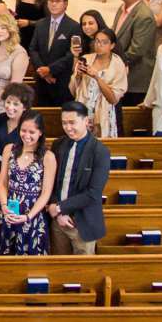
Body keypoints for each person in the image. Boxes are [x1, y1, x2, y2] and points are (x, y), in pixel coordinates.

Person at [48, 102, 111, 256]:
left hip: (83, 222)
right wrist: (56, 209)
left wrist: (60, 208)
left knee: (83, 273)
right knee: (58, 270)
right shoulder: (58, 145)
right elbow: (52, 181)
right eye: (64, 123)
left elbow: (93, 193)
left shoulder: (100, 151)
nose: (68, 128)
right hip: (58, 221)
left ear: (86, 121)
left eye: (72, 123)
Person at [0, 111, 57, 256]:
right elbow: (2, 183)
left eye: (32, 132)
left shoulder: (48, 157)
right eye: (23, 130)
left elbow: (46, 193)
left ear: (40, 132)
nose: (26, 135)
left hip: (32, 216)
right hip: (10, 212)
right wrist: (4, 207)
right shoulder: (10, 149)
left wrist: (28, 217)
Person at [110, 0, 159, 108]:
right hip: (121, 74)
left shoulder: (144, 16)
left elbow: (136, 50)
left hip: (135, 78)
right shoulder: (122, 8)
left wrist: (112, 64)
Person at [28, 0, 82, 98]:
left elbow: (71, 55)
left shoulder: (74, 26)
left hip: (61, 81)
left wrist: (50, 70)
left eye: (57, 1)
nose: (53, 4)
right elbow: (33, 49)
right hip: (41, 81)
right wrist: (43, 71)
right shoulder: (40, 24)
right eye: (51, 1)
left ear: (65, 4)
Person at [71, 26, 126, 138]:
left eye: (104, 42)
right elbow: (74, 91)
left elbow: (113, 99)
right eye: (97, 41)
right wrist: (78, 76)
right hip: (84, 111)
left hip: (105, 113)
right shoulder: (86, 58)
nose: (99, 45)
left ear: (112, 45)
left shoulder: (117, 64)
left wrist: (97, 77)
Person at [0, 12, 29, 104]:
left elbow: (14, 85)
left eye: (3, 28)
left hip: (8, 101)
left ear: (11, 30)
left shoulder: (19, 53)